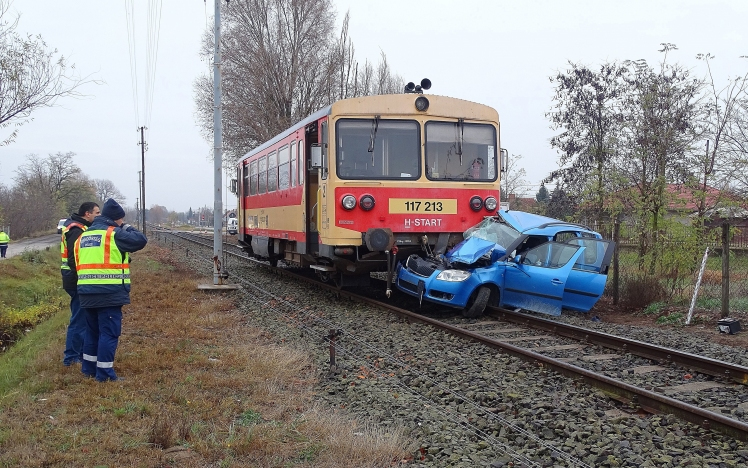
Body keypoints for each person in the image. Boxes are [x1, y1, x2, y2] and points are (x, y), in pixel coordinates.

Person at [75, 199, 147, 382]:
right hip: (108, 293)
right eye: (121, 220)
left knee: (92, 332)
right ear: (116, 219)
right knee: (109, 333)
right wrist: (128, 227)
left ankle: (89, 369)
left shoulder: (83, 236)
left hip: (85, 293)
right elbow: (140, 240)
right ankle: (105, 374)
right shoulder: (113, 233)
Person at [60, 202, 101, 366]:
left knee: (82, 318)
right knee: (79, 319)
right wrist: (84, 279)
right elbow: (73, 258)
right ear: (87, 213)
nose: (99, 215)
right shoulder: (77, 229)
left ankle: (81, 354)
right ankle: (71, 358)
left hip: (73, 278)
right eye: (97, 213)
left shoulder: (78, 227)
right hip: (75, 279)